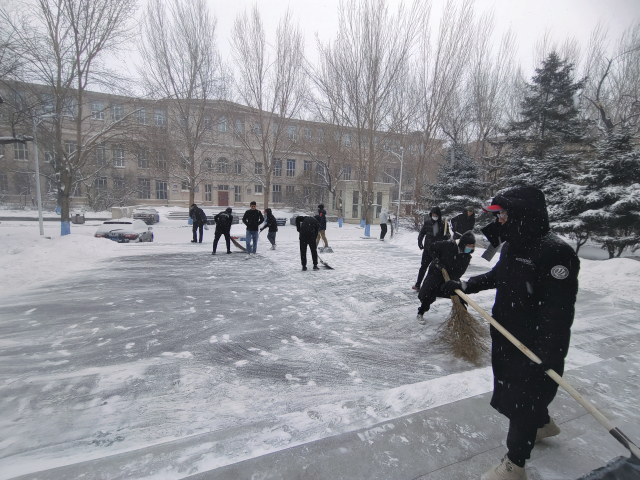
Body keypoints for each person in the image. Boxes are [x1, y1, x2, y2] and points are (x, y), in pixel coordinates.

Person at [441, 186, 580, 480]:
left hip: (533, 344)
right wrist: (466, 285)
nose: (499, 220)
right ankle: (542, 424)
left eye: (503, 214)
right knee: (516, 395)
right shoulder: (515, 244)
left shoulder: (556, 253)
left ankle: (514, 464)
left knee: (522, 400)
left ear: (522, 214)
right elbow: (498, 276)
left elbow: (558, 313)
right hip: (506, 333)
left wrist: (550, 352)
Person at [416, 230, 475, 325]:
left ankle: (462, 318)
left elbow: (459, 273)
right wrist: (436, 260)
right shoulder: (448, 245)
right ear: (463, 244)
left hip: (449, 277)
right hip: (436, 272)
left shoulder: (466, 257)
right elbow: (431, 247)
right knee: (428, 293)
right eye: (469, 245)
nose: (470, 248)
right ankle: (421, 312)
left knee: (460, 296)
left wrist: (452, 282)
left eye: (472, 246)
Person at [413, 206, 449, 290]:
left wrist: (446, 237)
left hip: (438, 251)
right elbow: (422, 233)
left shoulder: (444, 224)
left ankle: (439, 286)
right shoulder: (427, 223)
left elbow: (448, 235)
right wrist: (420, 242)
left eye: (435, 214)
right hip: (428, 250)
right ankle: (418, 284)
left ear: (439, 215)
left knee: (438, 269)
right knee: (423, 267)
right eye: (432, 214)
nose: (434, 216)